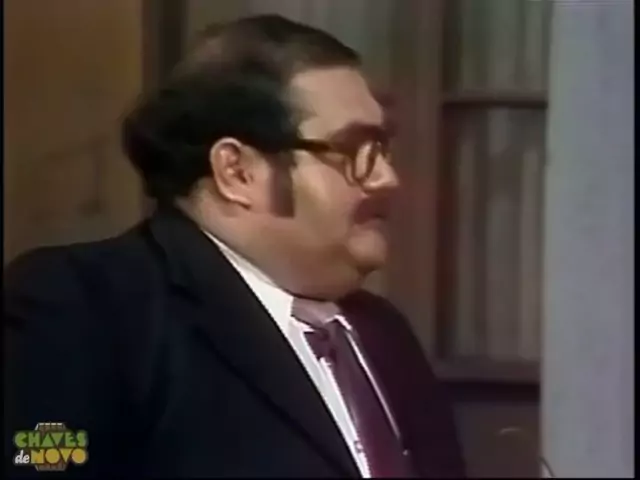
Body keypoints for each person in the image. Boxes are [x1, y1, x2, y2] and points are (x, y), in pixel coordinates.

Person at [4, 15, 465, 478]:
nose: (387, 178)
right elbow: (42, 464)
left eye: (382, 149)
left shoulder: (384, 332)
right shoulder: (85, 308)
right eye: (353, 151)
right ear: (238, 172)